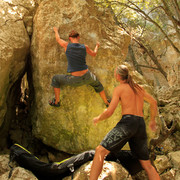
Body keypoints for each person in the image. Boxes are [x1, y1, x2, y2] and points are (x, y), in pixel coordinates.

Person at [90, 65, 160, 180]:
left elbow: (110, 111)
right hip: (140, 124)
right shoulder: (139, 88)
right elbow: (154, 102)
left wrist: (98, 118)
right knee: (147, 165)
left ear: (118, 76)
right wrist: (152, 120)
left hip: (128, 123)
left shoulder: (120, 89)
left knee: (100, 151)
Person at [49, 27, 110, 107]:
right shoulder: (85, 47)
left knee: (55, 79)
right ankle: (106, 102)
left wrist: (56, 30)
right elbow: (94, 54)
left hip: (75, 80)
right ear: (78, 37)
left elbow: (58, 39)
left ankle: (57, 102)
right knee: (98, 85)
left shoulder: (66, 45)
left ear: (70, 38)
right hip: (88, 76)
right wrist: (97, 46)